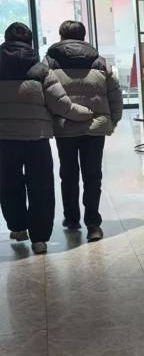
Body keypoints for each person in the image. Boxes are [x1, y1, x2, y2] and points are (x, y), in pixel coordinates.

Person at [0, 22, 92, 254]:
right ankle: (39, 239)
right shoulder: (40, 70)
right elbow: (61, 104)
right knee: (41, 188)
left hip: (4, 141)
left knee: (8, 185)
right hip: (37, 139)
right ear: (30, 42)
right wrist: (87, 113)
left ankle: (18, 227)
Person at [46, 20, 123, 242]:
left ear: (61, 36)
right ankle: (93, 224)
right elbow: (115, 93)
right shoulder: (99, 61)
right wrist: (112, 120)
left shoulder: (50, 61)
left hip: (65, 126)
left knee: (68, 175)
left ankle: (71, 219)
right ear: (83, 36)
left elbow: (45, 95)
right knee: (92, 175)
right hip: (94, 127)